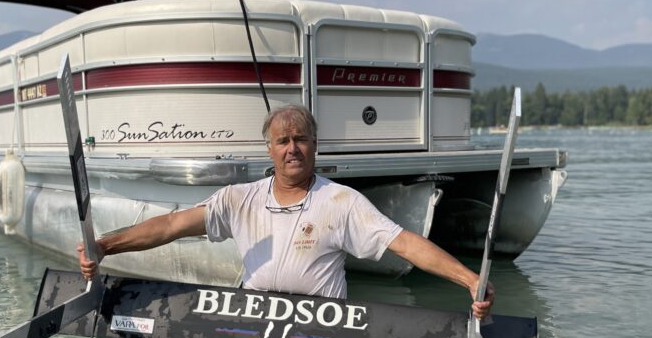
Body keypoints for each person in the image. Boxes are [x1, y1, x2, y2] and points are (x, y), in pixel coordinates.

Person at [78, 104, 494, 319]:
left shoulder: (341, 202)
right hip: (253, 322)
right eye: (282, 140)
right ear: (269, 149)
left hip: (324, 329)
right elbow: (170, 225)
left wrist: (469, 280)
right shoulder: (237, 199)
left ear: (315, 145)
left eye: (301, 138)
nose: (292, 147)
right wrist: (105, 246)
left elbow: (403, 243)